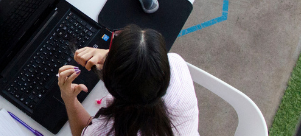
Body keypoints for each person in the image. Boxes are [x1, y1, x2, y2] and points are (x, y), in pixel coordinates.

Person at [57, 25, 199, 136]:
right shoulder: (176, 65)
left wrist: (69, 98)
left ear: (109, 84)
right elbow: (145, 63)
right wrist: (109, 56)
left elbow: (83, 132)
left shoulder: (103, 131)